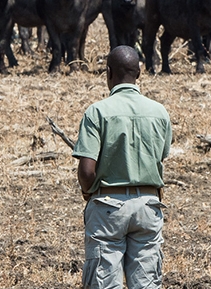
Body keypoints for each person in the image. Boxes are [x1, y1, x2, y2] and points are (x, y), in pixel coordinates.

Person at [73, 45, 172, 289]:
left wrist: (89, 192)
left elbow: (86, 171)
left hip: (108, 208)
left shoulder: (97, 112)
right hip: (149, 205)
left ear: (108, 73)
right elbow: (161, 156)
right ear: (138, 74)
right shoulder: (159, 112)